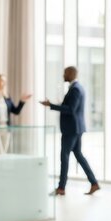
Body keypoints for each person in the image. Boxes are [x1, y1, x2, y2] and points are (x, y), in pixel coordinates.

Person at [40, 66, 100, 196]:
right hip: (76, 128)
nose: (63, 75)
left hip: (71, 129)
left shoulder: (75, 89)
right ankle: (94, 183)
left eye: (65, 73)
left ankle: (61, 188)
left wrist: (51, 105)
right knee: (78, 155)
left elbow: (70, 109)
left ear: (71, 74)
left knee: (64, 156)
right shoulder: (77, 88)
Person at [0, 74, 32, 154]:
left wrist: (22, 101)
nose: (4, 83)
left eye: (5, 81)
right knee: (0, 154)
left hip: (5, 129)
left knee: (2, 155)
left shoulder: (6, 97)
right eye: (2, 81)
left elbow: (16, 111)